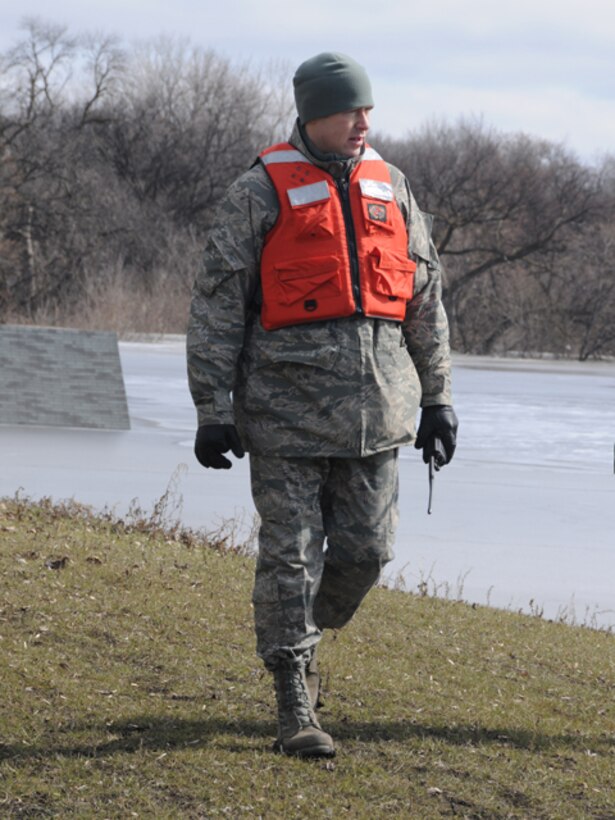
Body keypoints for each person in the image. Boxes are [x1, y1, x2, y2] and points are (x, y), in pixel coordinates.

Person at [187, 52, 458, 758]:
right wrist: (210, 408)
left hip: (378, 416)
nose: (362, 123)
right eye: (348, 111)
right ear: (313, 113)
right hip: (284, 417)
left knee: (367, 553)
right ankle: (293, 700)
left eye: (367, 110)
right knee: (289, 557)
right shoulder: (258, 190)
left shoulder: (391, 186)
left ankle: (302, 638)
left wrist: (438, 400)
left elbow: (423, 301)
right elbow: (216, 307)